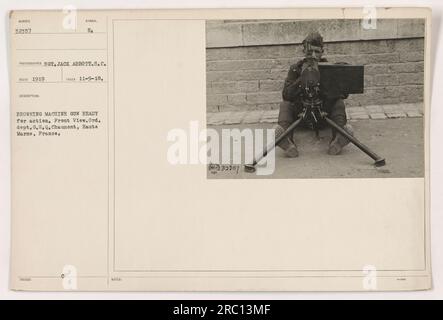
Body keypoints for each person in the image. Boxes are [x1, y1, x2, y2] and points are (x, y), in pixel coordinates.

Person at [276, 31, 353, 157]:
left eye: (317, 52)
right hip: (301, 116)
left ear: (322, 52)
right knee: (285, 105)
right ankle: (286, 140)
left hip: (323, 116)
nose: (313, 56)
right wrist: (303, 77)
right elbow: (286, 95)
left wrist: (329, 83)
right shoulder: (296, 68)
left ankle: (339, 139)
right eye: (309, 52)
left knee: (338, 103)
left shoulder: (329, 68)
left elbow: (343, 95)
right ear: (303, 52)